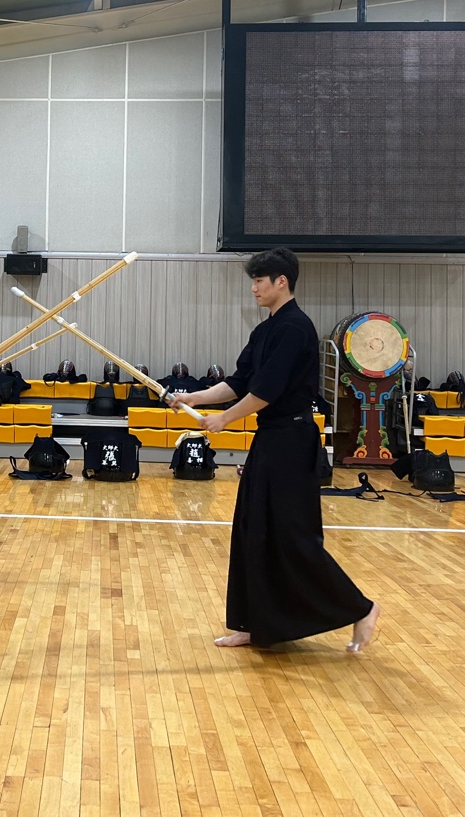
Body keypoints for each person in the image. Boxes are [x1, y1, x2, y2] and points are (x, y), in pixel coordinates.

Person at [172, 248, 380, 652]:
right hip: (269, 440)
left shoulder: (295, 328)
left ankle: (362, 608)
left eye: (259, 281)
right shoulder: (265, 330)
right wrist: (193, 398)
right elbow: (239, 381)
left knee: (292, 535)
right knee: (254, 531)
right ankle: (255, 624)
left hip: (293, 440)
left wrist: (224, 419)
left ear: (281, 282)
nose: (254, 288)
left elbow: (265, 392)